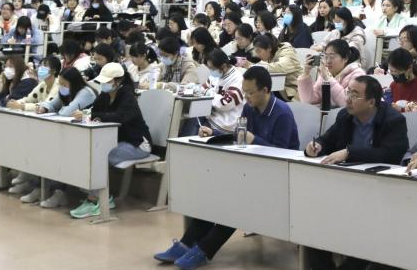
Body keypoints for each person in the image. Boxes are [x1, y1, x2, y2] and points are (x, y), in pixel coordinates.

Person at [153, 66, 301, 269]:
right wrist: (214, 133)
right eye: (244, 92)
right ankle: (187, 243)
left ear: (265, 90)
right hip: (253, 170)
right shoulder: (250, 108)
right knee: (217, 195)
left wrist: (254, 139)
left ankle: (204, 250)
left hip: (280, 177)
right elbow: (239, 135)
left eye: (250, 93)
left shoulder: (282, 113)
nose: (246, 97)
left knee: (236, 203)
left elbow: (283, 154)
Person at [300, 75, 407, 269]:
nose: (347, 98)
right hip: (344, 186)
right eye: (348, 92)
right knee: (313, 227)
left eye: (354, 95)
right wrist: (316, 147)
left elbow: (391, 154)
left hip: (377, 191)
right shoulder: (345, 116)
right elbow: (327, 139)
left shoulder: (393, 120)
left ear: (371, 102)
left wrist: (350, 152)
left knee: (362, 237)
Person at [69, 63, 152, 219]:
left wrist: (92, 116)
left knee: (100, 156)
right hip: (117, 142)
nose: (103, 84)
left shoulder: (128, 96)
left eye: (107, 81)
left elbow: (119, 117)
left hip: (138, 144)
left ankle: (95, 200)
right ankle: (103, 198)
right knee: (88, 151)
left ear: (118, 81)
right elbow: (94, 110)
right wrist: (86, 113)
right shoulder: (105, 95)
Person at [297, 39, 364, 108]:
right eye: (326, 57)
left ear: (345, 58)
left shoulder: (358, 75)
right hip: (325, 113)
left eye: (332, 57)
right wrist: (306, 74)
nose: (328, 61)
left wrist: (328, 78)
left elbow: (348, 104)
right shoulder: (325, 74)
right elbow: (310, 101)